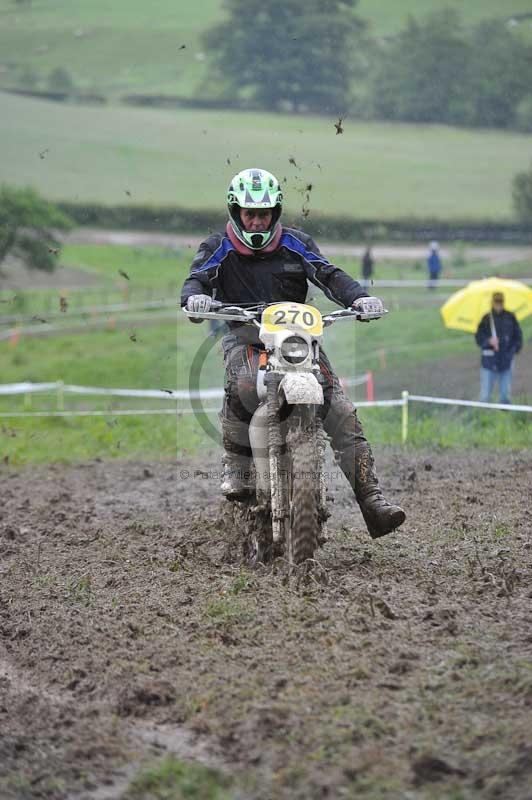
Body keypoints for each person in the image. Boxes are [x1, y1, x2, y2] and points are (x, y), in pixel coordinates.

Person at [181, 168, 405, 540]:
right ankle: (236, 467)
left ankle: (373, 500)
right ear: (237, 213)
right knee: (240, 383)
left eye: (264, 214)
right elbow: (196, 278)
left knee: (341, 411)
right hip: (246, 338)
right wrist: (195, 297)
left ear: (276, 213)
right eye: (250, 214)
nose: (257, 221)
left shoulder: (296, 242)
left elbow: (329, 275)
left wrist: (359, 298)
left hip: (297, 340)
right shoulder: (217, 246)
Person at [475, 292, 522, 404]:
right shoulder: (486, 318)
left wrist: (513, 350)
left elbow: (518, 336)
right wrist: (489, 341)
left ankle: (505, 418)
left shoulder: (510, 317)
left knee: (505, 395)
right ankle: (484, 418)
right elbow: (478, 338)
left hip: (506, 360)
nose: (498, 304)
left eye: (500, 301)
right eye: (496, 301)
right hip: (489, 362)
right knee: (485, 396)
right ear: (492, 302)